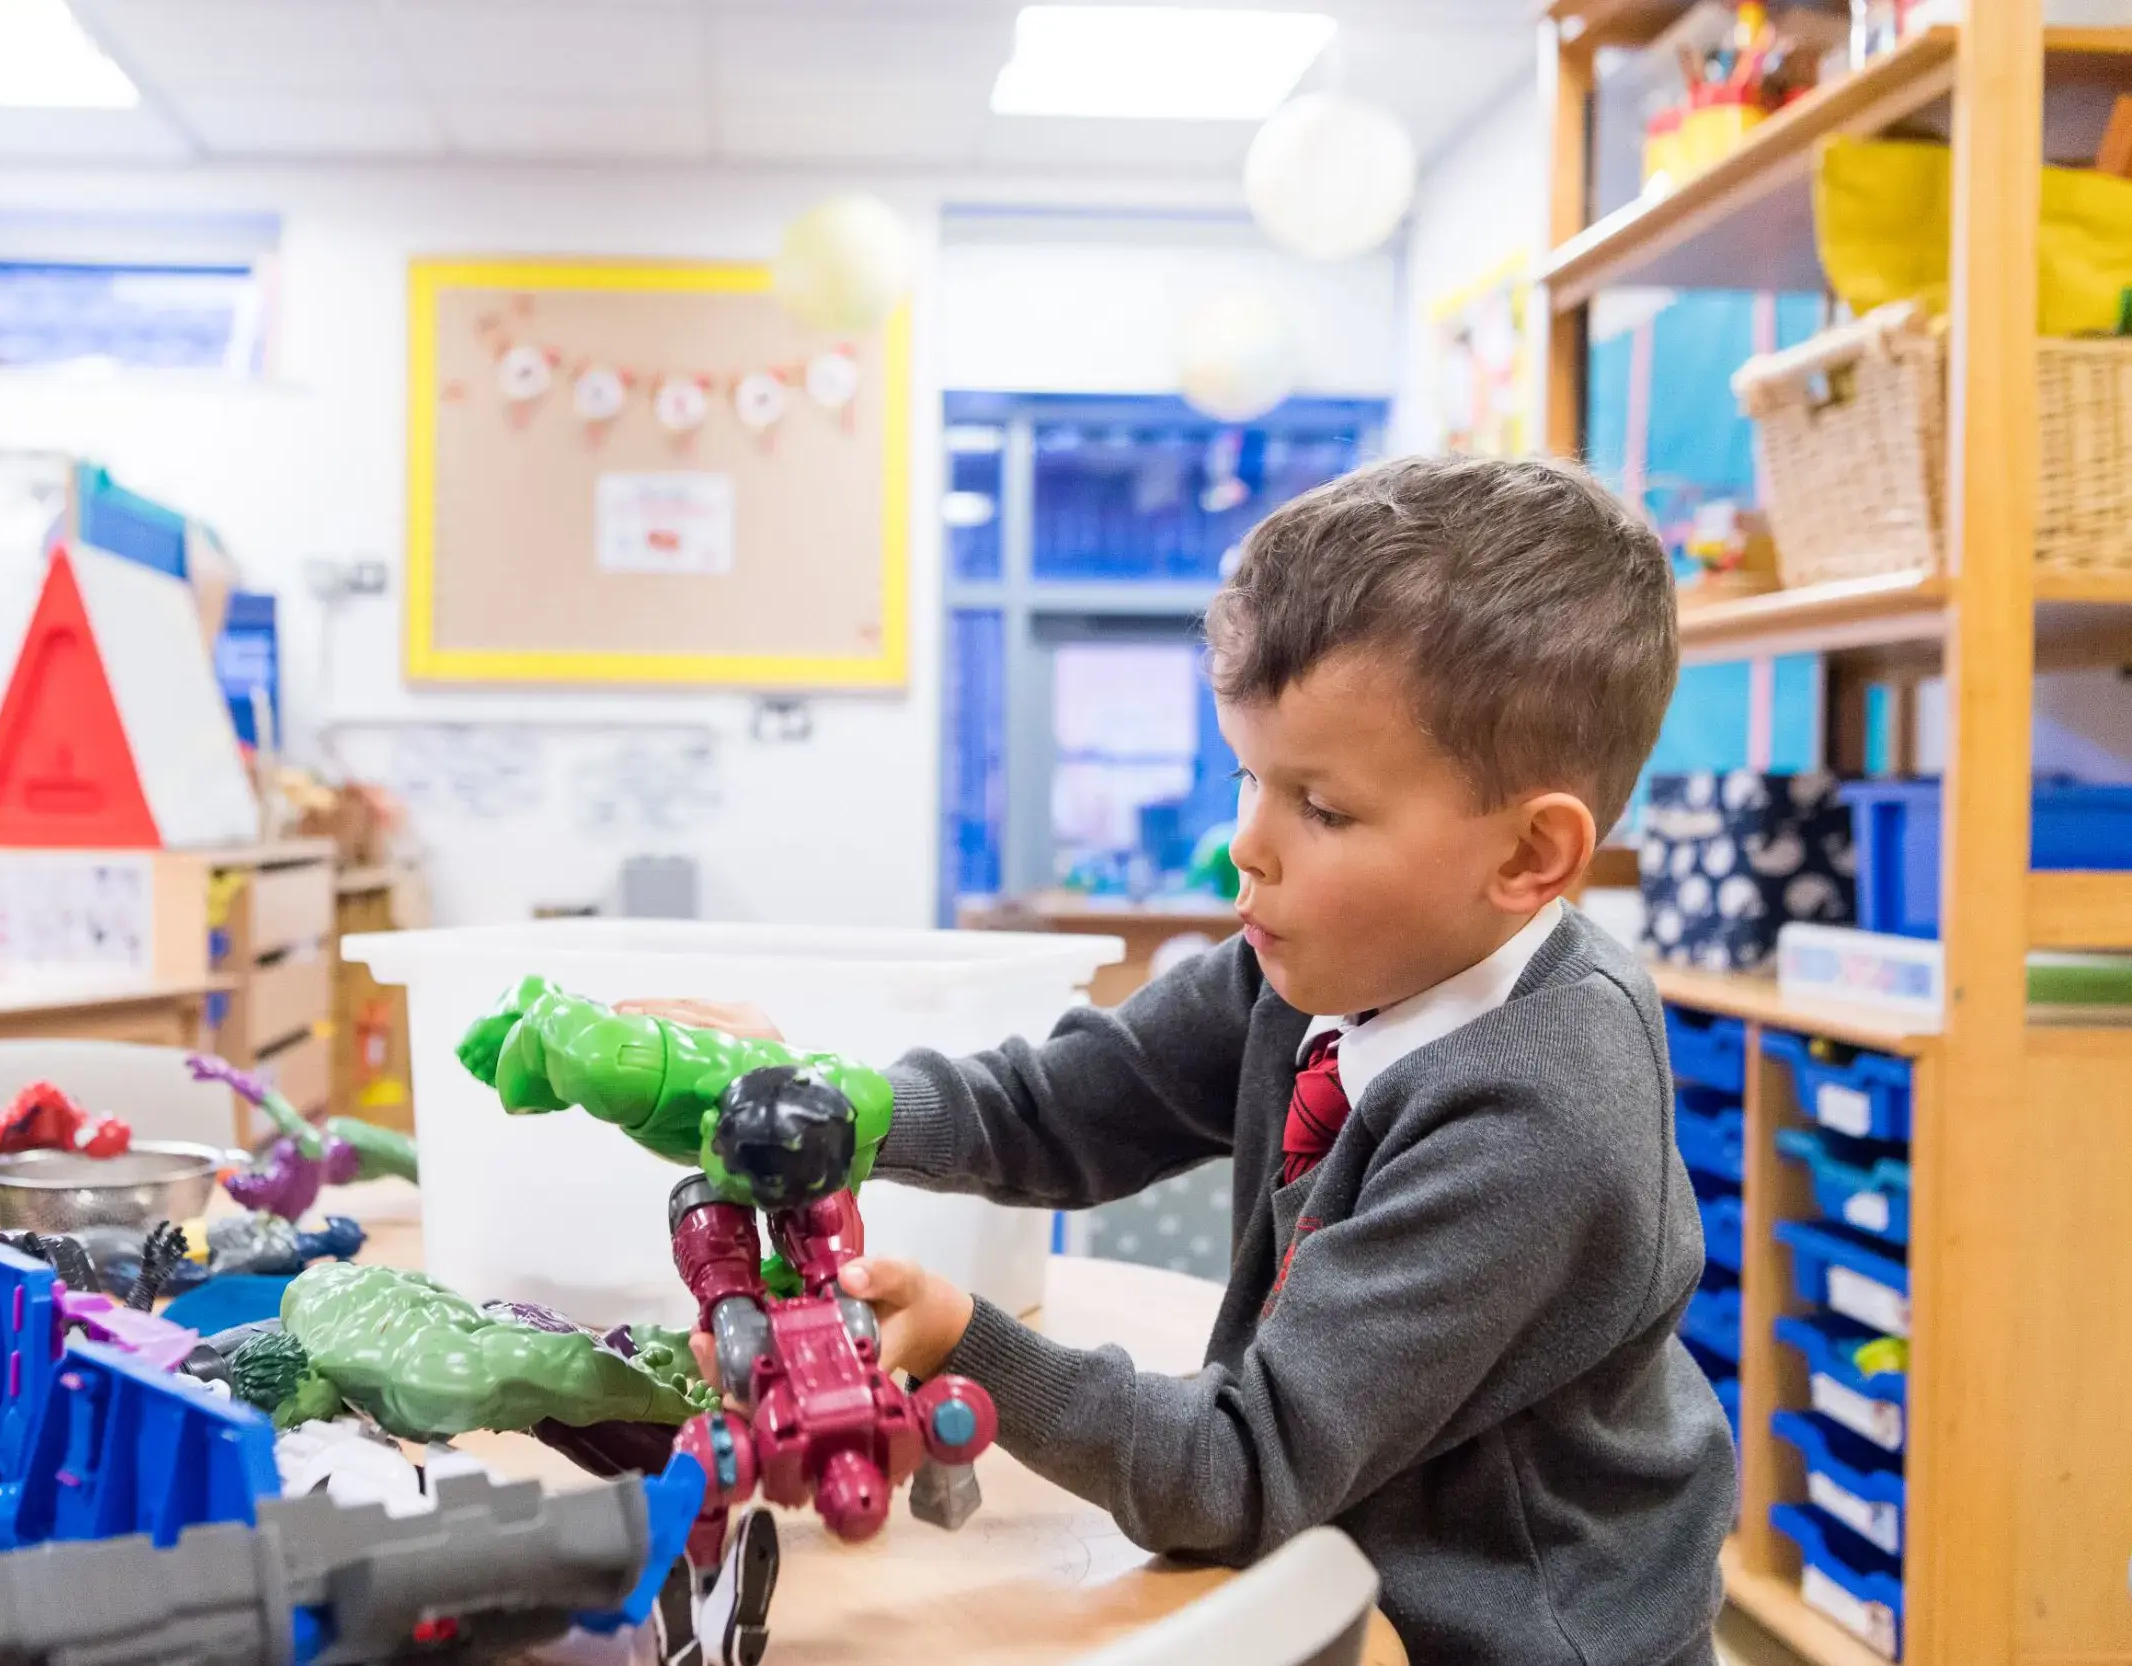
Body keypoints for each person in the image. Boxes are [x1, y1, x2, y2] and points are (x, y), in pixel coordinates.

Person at [467, 455, 1733, 1664]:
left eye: (1323, 808)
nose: (1246, 844)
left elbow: (1236, 1469)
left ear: (1527, 857)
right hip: (1333, 1532)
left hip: (1508, 1628)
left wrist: (965, 1343)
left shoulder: (1533, 1114)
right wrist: (838, 1105)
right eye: (1248, 775)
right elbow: (1066, 1105)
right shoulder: (1321, 967)